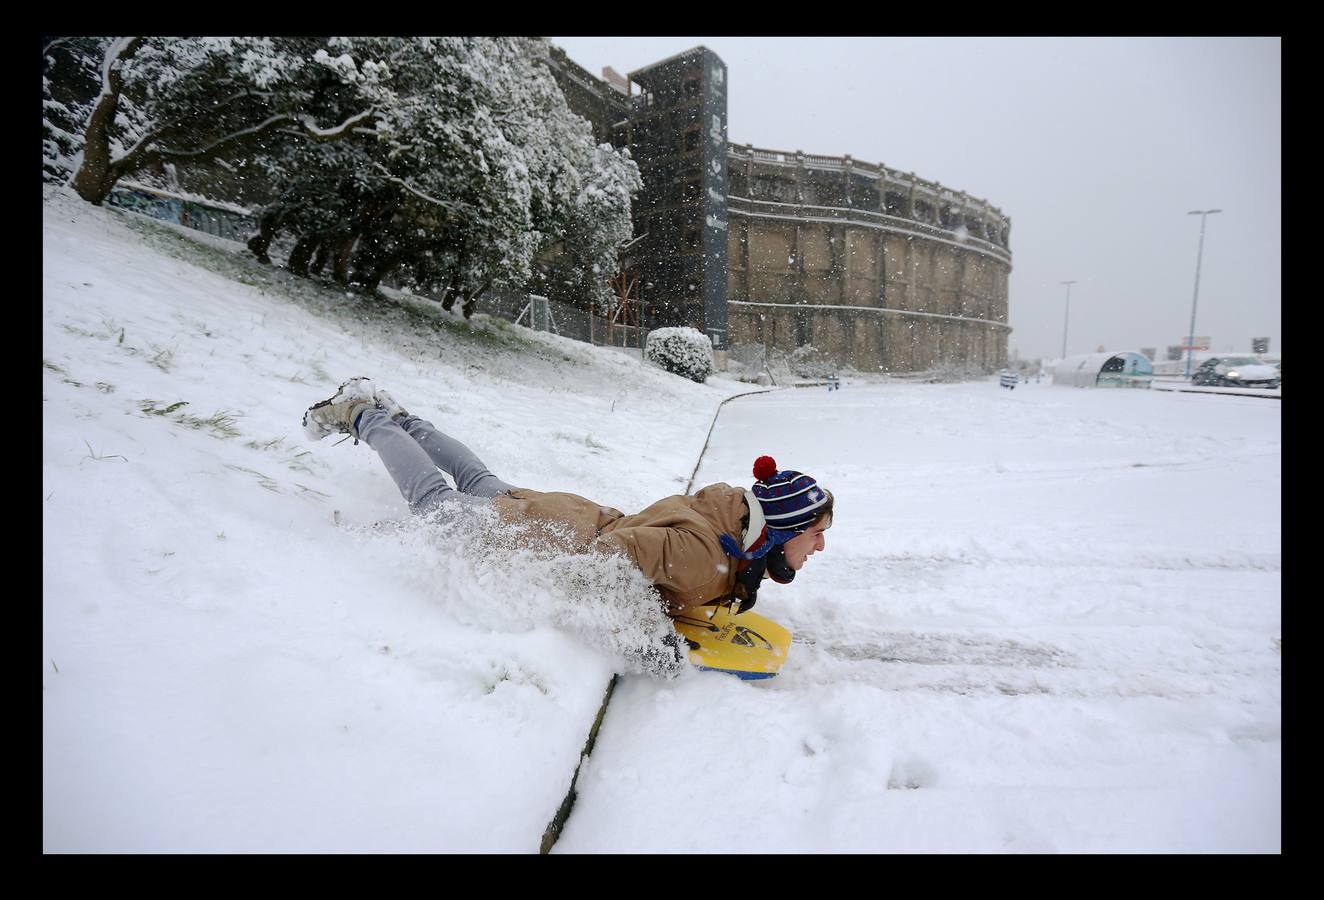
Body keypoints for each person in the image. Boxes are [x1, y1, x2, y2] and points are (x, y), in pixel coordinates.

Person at [302, 378, 834, 619]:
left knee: (476, 478)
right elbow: (611, 559)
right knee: (435, 501)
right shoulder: (708, 554)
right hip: (544, 533)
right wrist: (645, 632)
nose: (819, 548)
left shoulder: (728, 519)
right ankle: (364, 414)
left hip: (563, 515)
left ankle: (399, 417)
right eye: (816, 534)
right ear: (784, 529)